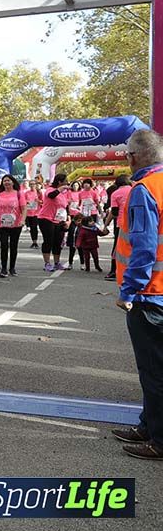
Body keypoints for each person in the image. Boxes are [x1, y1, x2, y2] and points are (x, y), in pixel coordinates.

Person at [113, 129, 163, 460]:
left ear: (136, 156)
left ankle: (158, 439)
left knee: (153, 371)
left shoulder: (143, 190)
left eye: (128, 155)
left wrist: (128, 290)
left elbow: (144, 250)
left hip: (149, 296)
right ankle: (148, 425)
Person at [0, 174, 26, 277]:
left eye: (8, 180)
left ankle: (12, 268)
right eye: (4, 181)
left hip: (15, 224)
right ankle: (3, 268)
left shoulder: (18, 194)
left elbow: (24, 209)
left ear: (13, 182)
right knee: (4, 246)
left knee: (13, 246)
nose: (6, 182)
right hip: (1, 225)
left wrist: (23, 220)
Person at [37, 173, 71, 272]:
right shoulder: (50, 190)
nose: (67, 183)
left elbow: (65, 207)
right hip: (46, 219)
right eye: (65, 181)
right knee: (48, 241)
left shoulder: (64, 194)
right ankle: (47, 263)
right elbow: (51, 196)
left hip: (59, 220)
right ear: (60, 182)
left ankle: (57, 263)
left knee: (58, 242)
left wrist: (68, 220)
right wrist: (61, 188)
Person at [106, 175, 133, 280]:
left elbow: (114, 212)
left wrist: (106, 224)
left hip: (121, 224)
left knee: (117, 248)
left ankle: (114, 271)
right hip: (135, 223)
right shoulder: (135, 190)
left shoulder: (115, 193)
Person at [24, 180, 42, 249]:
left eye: (33, 184)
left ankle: (35, 241)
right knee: (32, 228)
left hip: (36, 213)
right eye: (31, 184)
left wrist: (38, 201)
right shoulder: (26, 193)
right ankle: (33, 242)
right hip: (29, 213)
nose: (32, 185)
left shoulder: (39, 193)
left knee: (34, 227)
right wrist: (27, 202)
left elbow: (43, 202)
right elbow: (23, 201)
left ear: (35, 185)